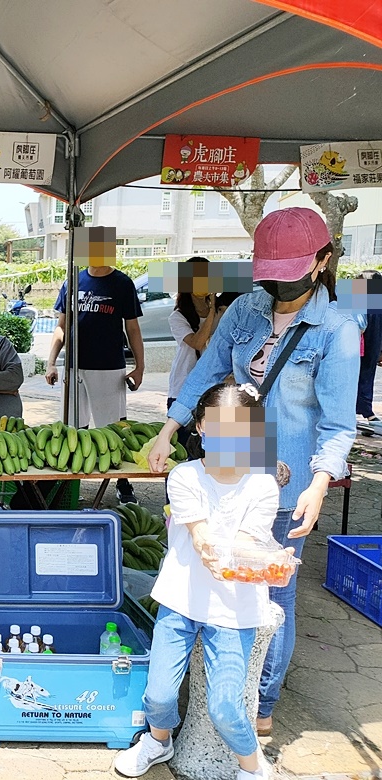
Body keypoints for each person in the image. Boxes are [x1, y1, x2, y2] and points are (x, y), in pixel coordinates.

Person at [148, 207, 358, 737]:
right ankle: (212, 683)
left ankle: (260, 702)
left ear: (323, 261)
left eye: (289, 275)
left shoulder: (336, 329)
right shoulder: (243, 310)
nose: (277, 288)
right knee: (213, 566)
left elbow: (336, 423)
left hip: (288, 482)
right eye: (269, 275)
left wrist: (319, 482)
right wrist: (168, 430)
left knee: (273, 593)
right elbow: (207, 373)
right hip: (227, 467)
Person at [115, 382, 283, 780]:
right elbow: (201, 536)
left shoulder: (262, 485)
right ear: (201, 428)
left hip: (234, 609)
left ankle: (253, 767)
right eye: (217, 428)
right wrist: (219, 549)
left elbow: (244, 542)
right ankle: (158, 740)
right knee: (157, 694)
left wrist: (272, 558)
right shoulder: (184, 476)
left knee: (226, 706)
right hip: (181, 598)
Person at [45, 261, 144, 503]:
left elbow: (132, 328)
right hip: (74, 365)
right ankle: (70, 483)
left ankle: (122, 482)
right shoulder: (72, 281)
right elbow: (61, 326)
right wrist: (51, 362)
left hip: (109, 366)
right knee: (72, 428)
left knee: (113, 428)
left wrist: (139, 367)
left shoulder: (122, 283)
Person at [168, 258, 220, 447]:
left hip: (214, 388)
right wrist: (212, 311)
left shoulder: (225, 312)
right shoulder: (178, 316)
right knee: (182, 448)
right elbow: (197, 343)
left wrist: (215, 308)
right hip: (183, 388)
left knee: (213, 449)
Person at [353, 270, 382, 431]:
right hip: (368, 345)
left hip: (365, 345)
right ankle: (366, 412)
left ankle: (364, 411)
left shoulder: (359, 296)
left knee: (360, 376)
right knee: (364, 376)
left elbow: (359, 324)